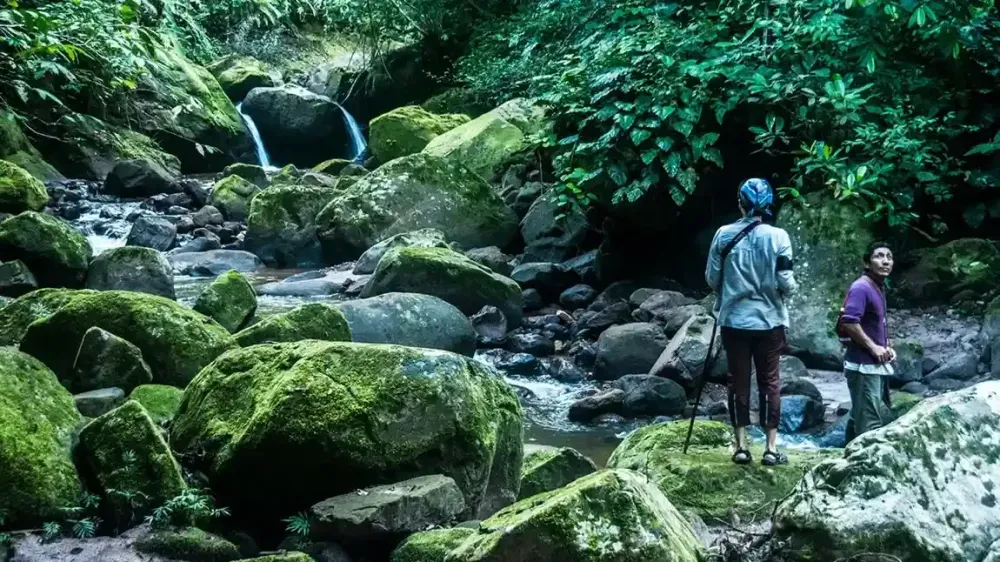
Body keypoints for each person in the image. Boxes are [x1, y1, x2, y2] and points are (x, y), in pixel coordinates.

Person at [705, 178, 797, 466]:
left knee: (738, 381)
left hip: (735, 321)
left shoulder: (723, 235)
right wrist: (786, 289)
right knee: (770, 382)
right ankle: (770, 449)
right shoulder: (779, 237)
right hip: (770, 321)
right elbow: (786, 281)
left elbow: (712, 279)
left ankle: (741, 447)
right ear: (768, 206)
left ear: (740, 203)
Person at [837, 242, 895, 440]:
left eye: (889, 257)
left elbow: (873, 322)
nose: (885, 261)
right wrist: (874, 347)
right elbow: (849, 322)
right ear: (867, 263)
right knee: (870, 424)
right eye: (879, 256)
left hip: (872, 365)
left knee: (859, 416)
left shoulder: (877, 286)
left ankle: (847, 453)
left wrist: (886, 346)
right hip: (863, 366)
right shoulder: (861, 287)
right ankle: (861, 457)